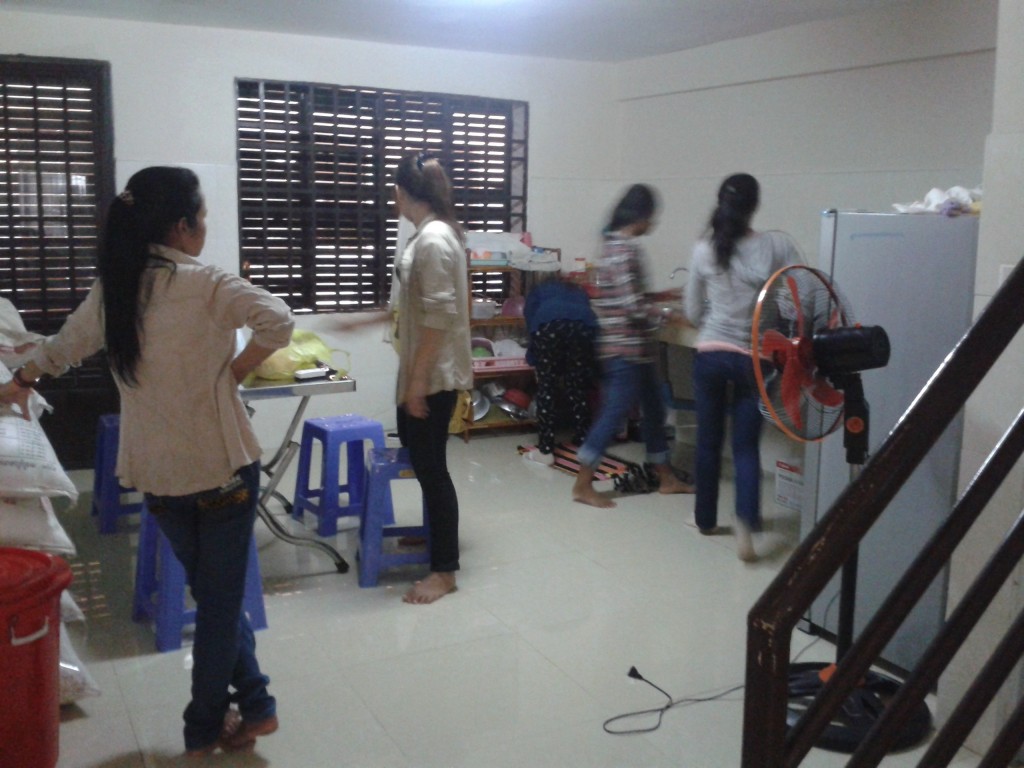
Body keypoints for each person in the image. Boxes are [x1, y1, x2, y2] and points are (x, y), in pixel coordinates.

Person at [0, 167, 291, 756]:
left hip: (158, 475)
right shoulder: (208, 284)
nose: (205, 228)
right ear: (182, 226)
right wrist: (234, 371)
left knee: (214, 599)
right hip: (223, 468)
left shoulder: (116, 288)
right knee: (218, 604)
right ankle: (205, 727)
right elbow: (278, 322)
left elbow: (61, 349)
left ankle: (256, 706)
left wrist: (21, 379)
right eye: (203, 218)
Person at [685, 173, 802, 561]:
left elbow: (691, 311)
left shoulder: (704, 249)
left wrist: (712, 321)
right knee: (746, 446)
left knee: (708, 442)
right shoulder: (776, 245)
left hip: (711, 355)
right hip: (756, 360)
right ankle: (745, 528)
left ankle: (704, 520)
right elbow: (801, 293)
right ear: (754, 205)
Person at [571, 184, 693, 508]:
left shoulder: (613, 246)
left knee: (654, 413)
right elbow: (631, 308)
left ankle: (666, 478)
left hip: (636, 350)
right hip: (626, 351)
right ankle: (583, 484)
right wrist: (670, 316)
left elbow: (630, 298)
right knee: (612, 415)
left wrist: (662, 296)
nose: (654, 224)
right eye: (653, 217)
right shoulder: (625, 250)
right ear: (641, 216)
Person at [391, 152, 472, 604]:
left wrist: (417, 382)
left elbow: (441, 318)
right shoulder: (428, 235)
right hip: (422, 370)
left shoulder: (434, 240)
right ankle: (432, 536)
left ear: (401, 192)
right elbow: (424, 307)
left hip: (434, 376)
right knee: (420, 459)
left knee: (432, 470)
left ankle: (445, 571)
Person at [521, 270, 599, 464]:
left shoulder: (538, 291)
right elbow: (587, 313)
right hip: (584, 327)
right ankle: (583, 440)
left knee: (547, 387)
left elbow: (532, 322)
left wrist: (534, 358)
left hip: (549, 326)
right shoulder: (577, 290)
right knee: (577, 385)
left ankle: (546, 450)